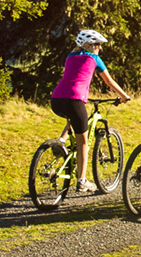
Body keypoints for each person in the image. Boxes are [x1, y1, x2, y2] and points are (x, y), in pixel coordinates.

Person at [50, 29, 131, 191]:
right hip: (74, 100)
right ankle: (82, 181)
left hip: (56, 100)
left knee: (75, 120)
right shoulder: (95, 59)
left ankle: (61, 141)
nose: (99, 48)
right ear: (88, 45)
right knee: (83, 142)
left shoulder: (69, 57)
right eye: (97, 45)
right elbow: (109, 81)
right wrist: (124, 95)